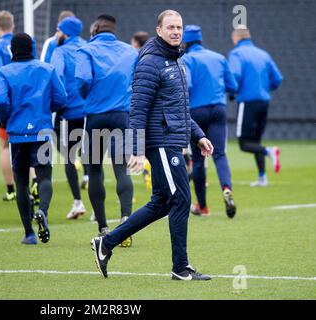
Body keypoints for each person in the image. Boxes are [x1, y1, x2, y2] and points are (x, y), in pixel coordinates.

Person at [91, 10, 214, 281]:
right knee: (181, 199)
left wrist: (198, 135)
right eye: (170, 27)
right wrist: (136, 148)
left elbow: (180, 109)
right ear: (159, 30)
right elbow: (137, 109)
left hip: (173, 139)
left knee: (161, 203)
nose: (176, 31)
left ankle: (106, 243)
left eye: (179, 27)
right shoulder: (150, 62)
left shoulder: (177, 61)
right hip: (160, 142)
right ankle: (180, 268)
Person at [0, 33, 67, 245]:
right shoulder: (46, 69)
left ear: (12, 50)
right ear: (32, 48)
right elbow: (61, 98)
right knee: (44, 177)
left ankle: (29, 233)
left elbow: (0, 101)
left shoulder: (3, 72)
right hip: (41, 130)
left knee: (22, 183)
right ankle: (42, 211)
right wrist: (44, 109)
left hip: (17, 133)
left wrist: (6, 120)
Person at [75, 14, 137, 248]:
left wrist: (89, 96)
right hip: (123, 114)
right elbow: (137, 80)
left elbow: (82, 79)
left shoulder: (87, 50)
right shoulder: (130, 51)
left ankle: (102, 227)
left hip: (95, 116)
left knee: (94, 170)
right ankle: (126, 222)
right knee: (122, 169)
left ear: (95, 31)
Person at [182, 25, 238, 218]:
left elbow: (186, 85)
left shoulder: (186, 59)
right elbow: (232, 86)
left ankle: (203, 206)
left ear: (185, 41)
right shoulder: (219, 57)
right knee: (220, 154)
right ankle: (226, 188)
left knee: (197, 159)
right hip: (218, 109)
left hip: (196, 112)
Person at [0, 10, 38, 202]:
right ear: (13, 26)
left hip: (8, 101)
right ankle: (34, 183)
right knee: (32, 142)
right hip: (29, 100)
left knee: (4, 146)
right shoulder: (28, 43)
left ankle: (11, 190)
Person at [228, 25, 283, 187]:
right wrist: (265, 89)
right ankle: (262, 177)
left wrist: (232, 91)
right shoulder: (263, 54)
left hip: (247, 101)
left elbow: (235, 76)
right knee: (256, 141)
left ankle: (269, 152)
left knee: (244, 143)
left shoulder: (237, 53)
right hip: (264, 101)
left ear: (236, 38)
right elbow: (277, 79)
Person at [50, 16, 88, 219]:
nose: (56, 34)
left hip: (69, 111)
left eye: (58, 30)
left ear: (65, 32)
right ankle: (95, 209)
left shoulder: (60, 51)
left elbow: (56, 78)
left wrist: (57, 104)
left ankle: (78, 202)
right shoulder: (88, 47)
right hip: (90, 111)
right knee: (91, 155)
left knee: (68, 157)